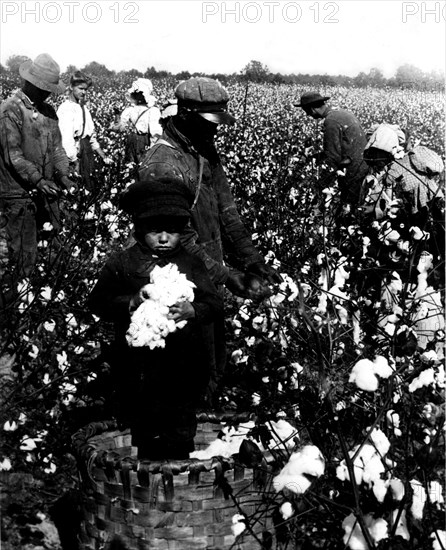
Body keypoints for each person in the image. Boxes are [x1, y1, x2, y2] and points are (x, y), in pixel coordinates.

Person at [138, 76, 280, 393]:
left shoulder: (203, 152)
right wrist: (228, 276)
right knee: (181, 371)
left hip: (205, 276)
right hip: (174, 282)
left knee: (210, 362)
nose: (215, 129)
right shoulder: (163, 164)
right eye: (209, 122)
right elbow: (178, 243)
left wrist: (253, 261)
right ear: (185, 115)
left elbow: (227, 213)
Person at [88, 177, 223, 459]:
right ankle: (149, 488)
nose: (164, 238)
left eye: (172, 232)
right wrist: (130, 302)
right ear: (139, 228)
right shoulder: (124, 263)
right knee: (146, 432)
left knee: (181, 432)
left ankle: (178, 484)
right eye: (155, 231)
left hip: (183, 369)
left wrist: (193, 310)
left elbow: (214, 303)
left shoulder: (191, 263)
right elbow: (97, 302)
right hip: (139, 371)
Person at [0, 53, 75, 294]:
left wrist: (64, 175)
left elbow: (57, 149)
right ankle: (19, 313)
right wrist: (39, 180)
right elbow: (14, 156)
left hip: (43, 189)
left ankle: (43, 302)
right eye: (44, 88)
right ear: (30, 83)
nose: (48, 93)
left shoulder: (49, 112)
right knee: (23, 254)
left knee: (52, 246)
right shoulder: (9, 110)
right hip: (17, 194)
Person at [295, 91, 368, 206]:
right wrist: (315, 157)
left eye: (307, 112)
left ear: (312, 109)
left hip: (352, 171)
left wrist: (322, 183)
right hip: (362, 164)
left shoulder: (331, 121)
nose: (308, 115)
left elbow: (333, 156)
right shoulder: (342, 113)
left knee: (349, 207)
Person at [57, 71, 111, 192]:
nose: (84, 92)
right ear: (71, 87)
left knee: (89, 186)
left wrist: (102, 155)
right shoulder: (66, 109)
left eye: (86, 89)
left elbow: (90, 136)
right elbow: (66, 139)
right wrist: (75, 161)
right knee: (77, 187)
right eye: (80, 88)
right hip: (74, 153)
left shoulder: (83, 108)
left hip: (85, 151)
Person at [110, 78, 162, 166]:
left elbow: (155, 133)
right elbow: (118, 128)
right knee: (130, 167)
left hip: (144, 141)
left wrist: (152, 150)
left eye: (140, 93)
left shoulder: (153, 111)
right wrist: (117, 115)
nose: (138, 96)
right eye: (136, 93)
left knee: (142, 167)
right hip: (132, 141)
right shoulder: (130, 110)